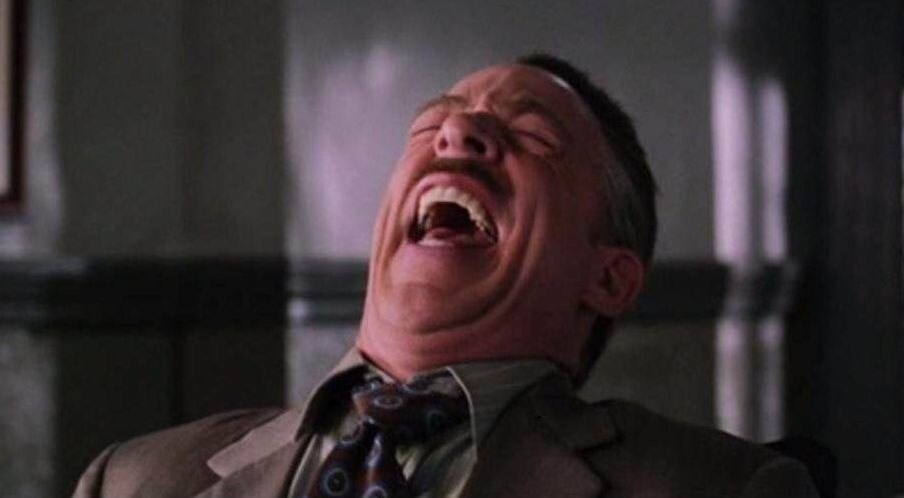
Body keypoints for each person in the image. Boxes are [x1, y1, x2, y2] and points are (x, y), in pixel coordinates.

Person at [73, 54, 817, 497]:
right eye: (432, 126)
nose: (458, 133)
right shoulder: (133, 480)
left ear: (609, 279)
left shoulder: (724, 488)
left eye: (533, 136)